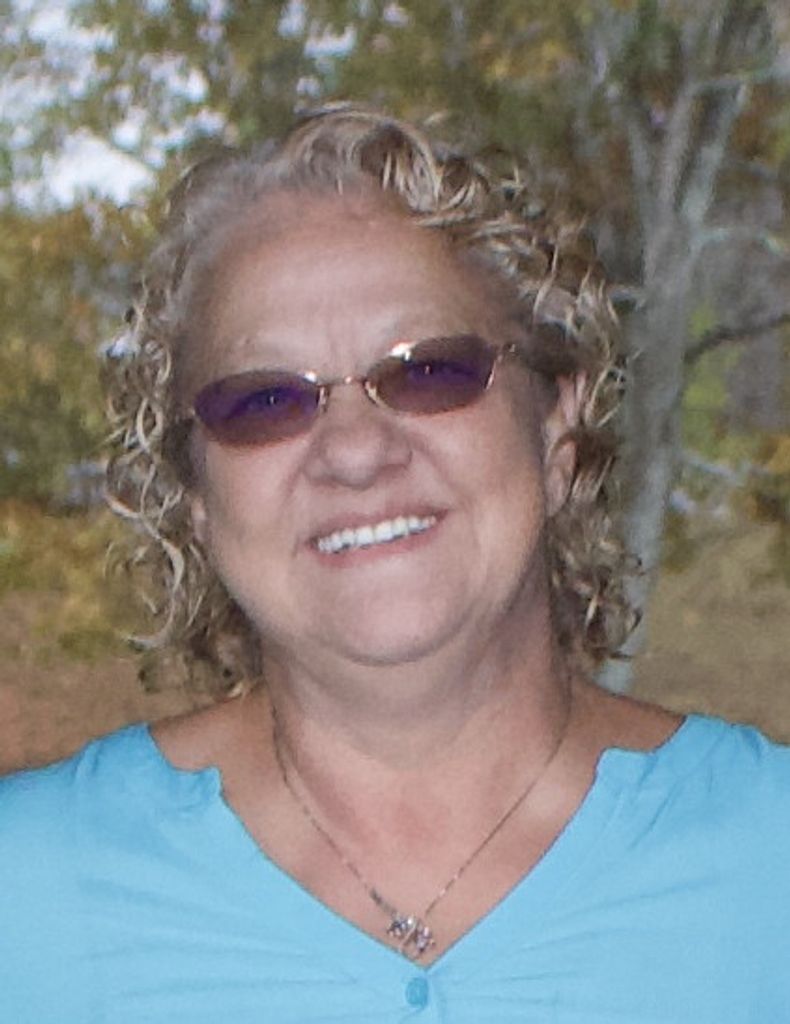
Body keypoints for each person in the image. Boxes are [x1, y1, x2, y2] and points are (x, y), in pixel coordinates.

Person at [1, 105, 788, 1023]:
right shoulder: (32, 896)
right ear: (195, 496)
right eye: (264, 401)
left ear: (556, 426)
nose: (354, 450)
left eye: (426, 371)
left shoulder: (769, 860)